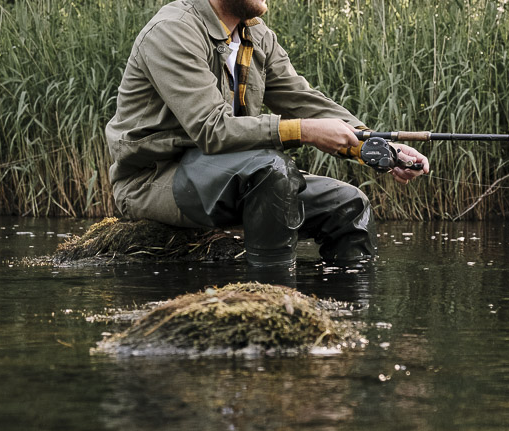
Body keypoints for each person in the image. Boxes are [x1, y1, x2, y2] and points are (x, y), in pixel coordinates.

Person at [105, 0, 428, 267]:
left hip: (231, 173)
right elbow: (211, 129)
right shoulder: (173, 31)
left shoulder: (256, 36)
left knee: (349, 205)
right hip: (154, 179)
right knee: (271, 170)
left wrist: (378, 148)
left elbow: (304, 102)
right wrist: (305, 132)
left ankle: (347, 324)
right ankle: (272, 301)